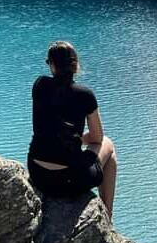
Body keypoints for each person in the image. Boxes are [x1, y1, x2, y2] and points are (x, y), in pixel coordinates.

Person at [27, 41, 118, 220]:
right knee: (108, 145)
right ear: (75, 65)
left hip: (38, 174)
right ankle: (107, 216)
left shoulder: (40, 85)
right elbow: (97, 137)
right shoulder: (85, 95)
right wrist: (77, 139)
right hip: (69, 181)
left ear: (52, 65)